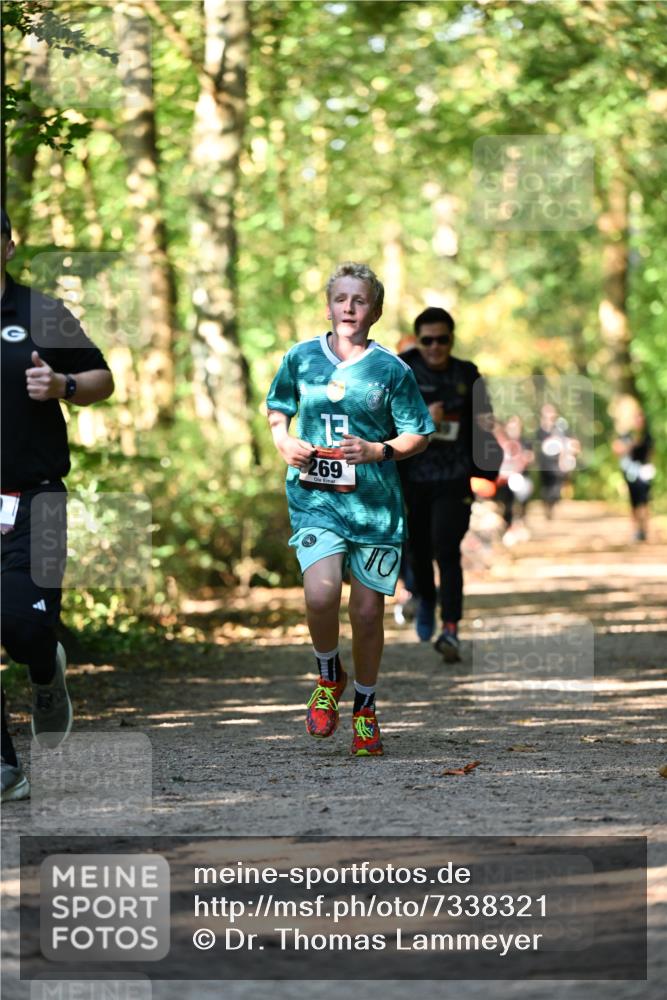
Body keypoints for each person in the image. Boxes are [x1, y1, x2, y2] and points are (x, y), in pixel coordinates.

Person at [266, 262, 433, 756]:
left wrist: (380, 450)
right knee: (319, 595)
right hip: (315, 497)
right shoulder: (300, 357)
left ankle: (364, 707)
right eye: (341, 299)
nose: (349, 308)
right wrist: (284, 440)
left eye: (359, 301)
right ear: (329, 305)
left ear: (375, 311)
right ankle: (327, 676)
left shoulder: (392, 370)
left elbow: (418, 433)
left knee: (365, 613)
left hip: (375, 508)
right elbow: (278, 407)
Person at [1, 208, 114, 801]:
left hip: (36, 497)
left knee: (22, 626)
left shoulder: (40, 312)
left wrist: (63, 387)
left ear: (8, 245)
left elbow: (101, 378)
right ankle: (4, 767)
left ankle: (45, 671)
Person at [399, 306, 496, 662]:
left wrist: (488, 469)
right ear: (419, 340)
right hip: (412, 478)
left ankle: (451, 627)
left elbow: (484, 424)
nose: (435, 347)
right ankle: (425, 598)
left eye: (442, 339)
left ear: (451, 340)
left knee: (447, 549)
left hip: (454, 479)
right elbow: (384, 419)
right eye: (427, 340)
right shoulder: (402, 371)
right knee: (419, 552)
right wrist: (426, 418)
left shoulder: (467, 374)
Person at [613, 403, 654, 542]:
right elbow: (617, 449)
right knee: (634, 502)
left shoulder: (648, 436)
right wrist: (630, 445)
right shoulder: (627, 436)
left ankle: (644, 529)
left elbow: (651, 453)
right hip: (630, 472)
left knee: (645, 501)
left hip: (645, 472)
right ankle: (636, 530)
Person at [535, 402, 580, 519]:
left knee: (555, 489)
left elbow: (570, 442)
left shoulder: (561, 428)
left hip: (557, 464)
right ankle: (547, 506)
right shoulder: (539, 431)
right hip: (544, 464)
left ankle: (552, 505)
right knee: (545, 489)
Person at [495, 415, 534, 544]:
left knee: (520, 501)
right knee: (507, 504)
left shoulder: (525, 442)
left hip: (521, 477)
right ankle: (508, 526)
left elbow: (530, 458)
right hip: (505, 479)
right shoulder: (501, 441)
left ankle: (518, 523)